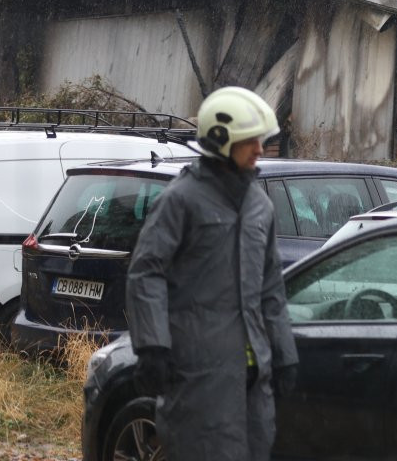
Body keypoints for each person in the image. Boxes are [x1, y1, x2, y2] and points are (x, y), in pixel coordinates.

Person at [126, 86, 298, 460]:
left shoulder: (260, 205)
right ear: (221, 141)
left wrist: (285, 354)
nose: (259, 149)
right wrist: (153, 345)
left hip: (253, 384)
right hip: (198, 375)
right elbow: (146, 272)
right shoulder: (181, 199)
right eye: (250, 140)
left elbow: (271, 288)